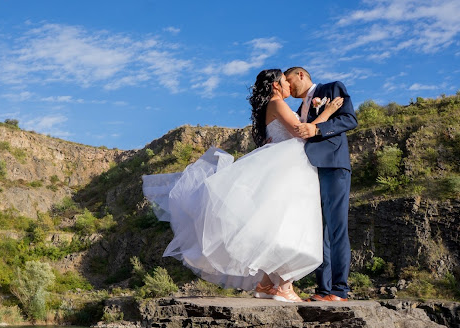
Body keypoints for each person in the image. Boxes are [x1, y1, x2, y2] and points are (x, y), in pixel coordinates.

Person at [142, 69, 343, 302]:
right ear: (276, 86)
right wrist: (327, 113)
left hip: (282, 162)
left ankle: (267, 284)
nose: (289, 85)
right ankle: (284, 287)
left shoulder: (274, 105)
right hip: (289, 164)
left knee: (276, 223)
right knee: (289, 223)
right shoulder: (277, 103)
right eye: (285, 81)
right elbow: (301, 132)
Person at [284, 67, 357, 301]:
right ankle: (323, 289)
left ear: (301, 75)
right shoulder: (299, 108)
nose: (288, 85)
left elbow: (349, 118)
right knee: (318, 230)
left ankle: (340, 289)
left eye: (289, 80)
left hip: (333, 164)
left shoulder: (332, 88)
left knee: (336, 227)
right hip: (309, 170)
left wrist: (318, 128)